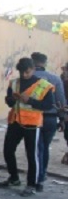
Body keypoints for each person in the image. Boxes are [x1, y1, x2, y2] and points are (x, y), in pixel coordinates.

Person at [0, 56, 54, 196]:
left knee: (32, 155)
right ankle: (14, 177)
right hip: (15, 121)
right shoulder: (14, 83)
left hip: (32, 124)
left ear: (33, 69)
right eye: (22, 72)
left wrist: (31, 101)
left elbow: (48, 106)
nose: (24, 75)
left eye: (27, 72)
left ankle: (31, 184)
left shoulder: (44, 85)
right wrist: (11, 99)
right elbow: (9, 102)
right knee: (8, 150)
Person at [30, 52, 66, 184]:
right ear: (45, 63)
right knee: (45, 146)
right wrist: (62, 119)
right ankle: (42, 172)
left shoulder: (29, 78)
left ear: (32, 62)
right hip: (50, 118)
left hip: (32, 117)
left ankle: (36, 174)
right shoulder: (55, 78)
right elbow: (61, 101)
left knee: (36, 147)